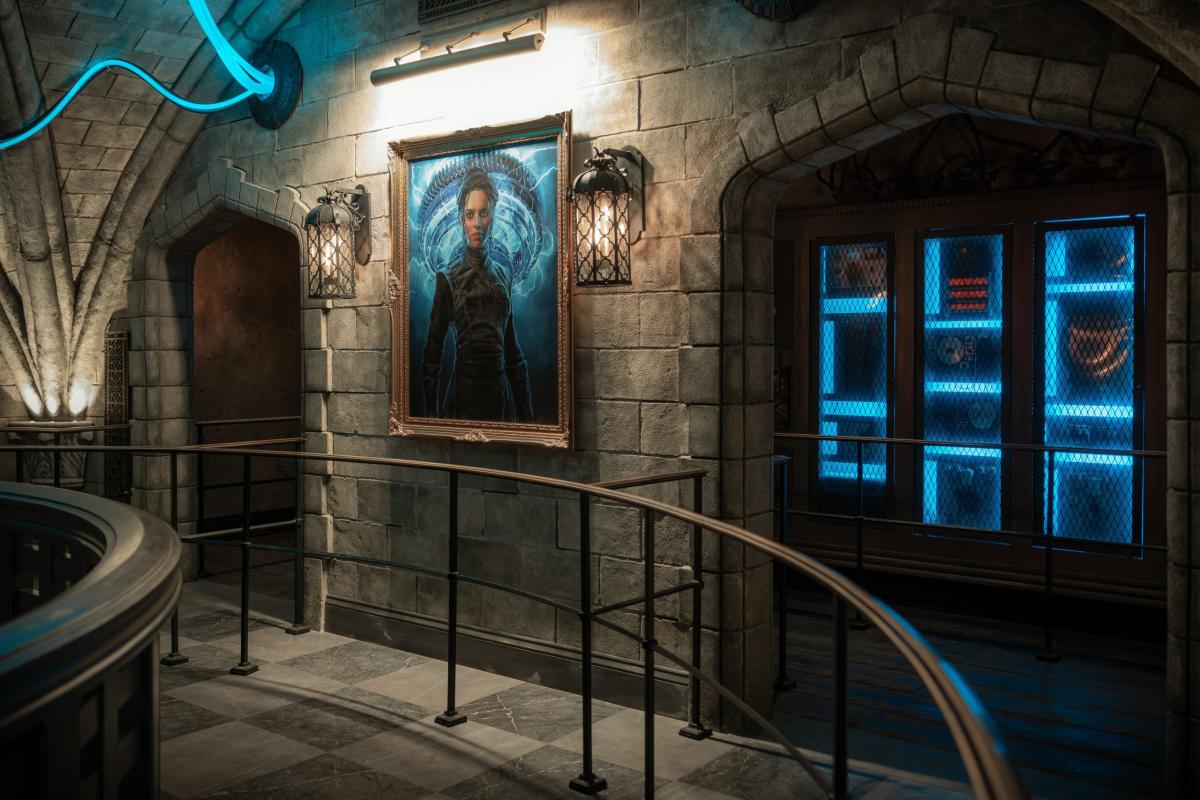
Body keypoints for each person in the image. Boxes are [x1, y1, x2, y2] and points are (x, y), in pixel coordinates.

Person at [421, 167, 533, 422]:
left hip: (500, 401)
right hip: (462, 400)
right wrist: (431, 420)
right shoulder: (447, 278)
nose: (477, 224)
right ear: (462, 219)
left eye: (483, 213)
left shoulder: (504, 273)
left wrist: (528, 420)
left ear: (492, 214)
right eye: (470, 214)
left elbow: (513, 352)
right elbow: (432, 357)